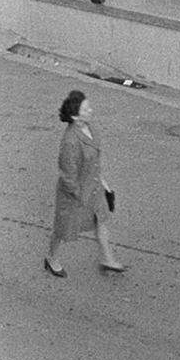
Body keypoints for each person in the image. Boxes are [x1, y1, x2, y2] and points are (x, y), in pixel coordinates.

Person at [44, 90, 124, 277]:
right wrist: (81, 197)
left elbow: (94, 162)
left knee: (101, 221)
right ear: (75, 116)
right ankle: (51, 258)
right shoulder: (70, 142)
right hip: (75, 196)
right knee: (63, 230)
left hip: (94, 188)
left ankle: (107, 259)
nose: (90, 110)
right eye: (86, 109)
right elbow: (68, 178)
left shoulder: (90, 128)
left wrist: (104, 184)